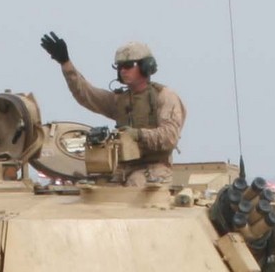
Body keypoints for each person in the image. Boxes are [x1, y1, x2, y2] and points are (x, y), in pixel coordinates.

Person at [38, 32, 187, 185]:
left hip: (155, 168)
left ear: (145, 66)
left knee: (135, 185)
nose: (123, 71)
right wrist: (65, 63)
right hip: (122, 168)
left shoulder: (164, 97)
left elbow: (170, 136)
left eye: (128, 66)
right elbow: (86, 94)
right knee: (94, 187)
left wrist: (138, 135)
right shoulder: (119, 101)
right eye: (120, 67)